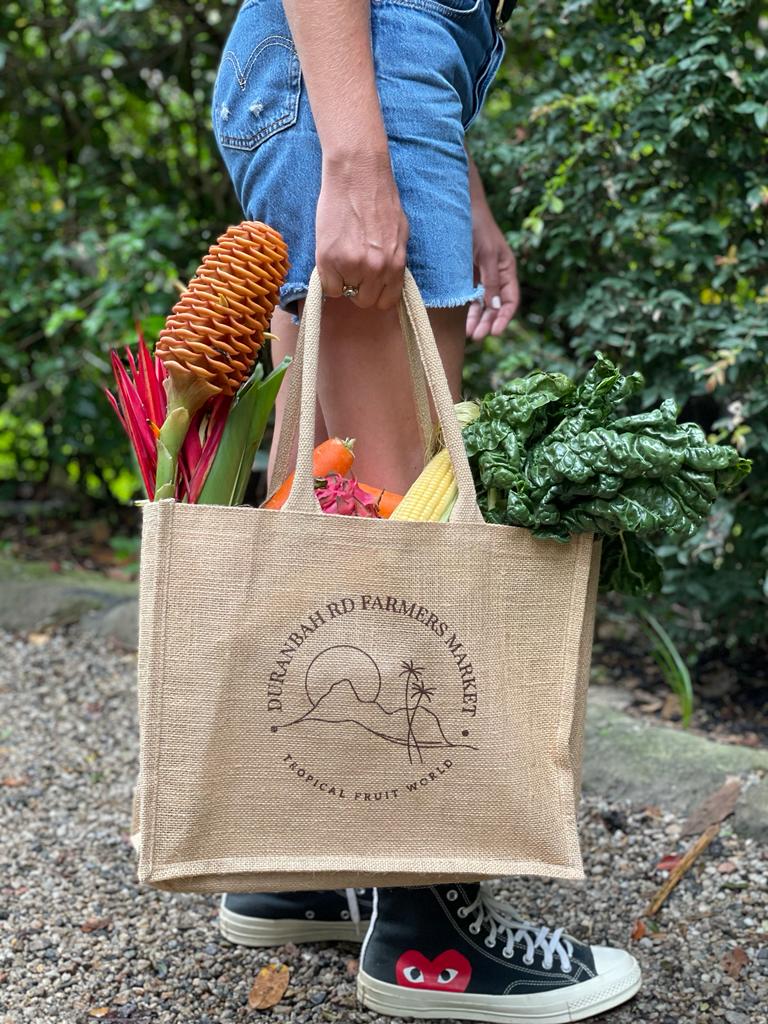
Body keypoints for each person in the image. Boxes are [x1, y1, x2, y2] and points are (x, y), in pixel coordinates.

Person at [210, 1, 641, 1020]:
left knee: (335, 501)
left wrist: (463, 190)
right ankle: (424, 933)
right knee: (405, 534)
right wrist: (363, 158)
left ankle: (303, 865)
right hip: (356, 75)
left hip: (354, 79)